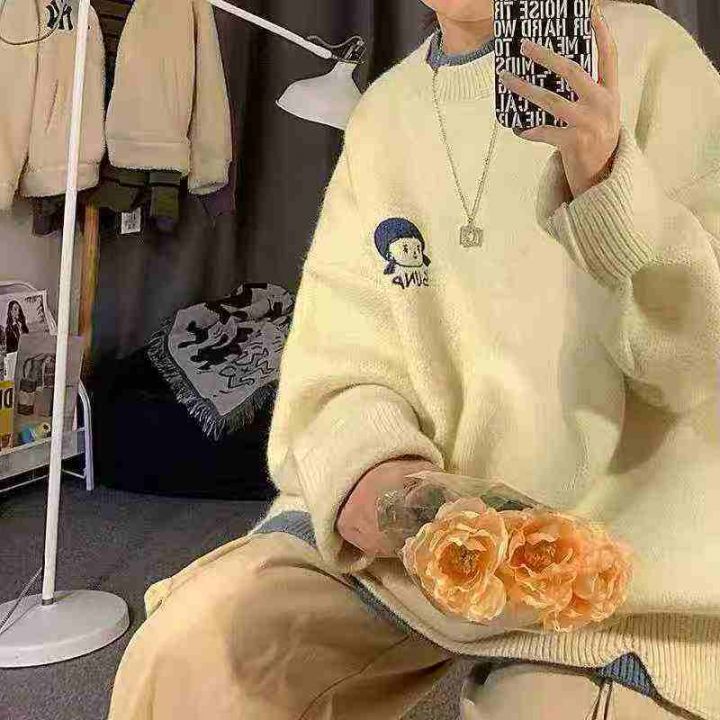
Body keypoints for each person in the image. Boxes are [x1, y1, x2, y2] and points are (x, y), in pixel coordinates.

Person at [108, 1, 720, 718]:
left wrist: (607, 186)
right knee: (189, 652)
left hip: (618, 560)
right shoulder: (385, 115)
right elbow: (338, 364)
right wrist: (379, 476)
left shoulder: (648, 55)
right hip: (415, 529)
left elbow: (697, 364)